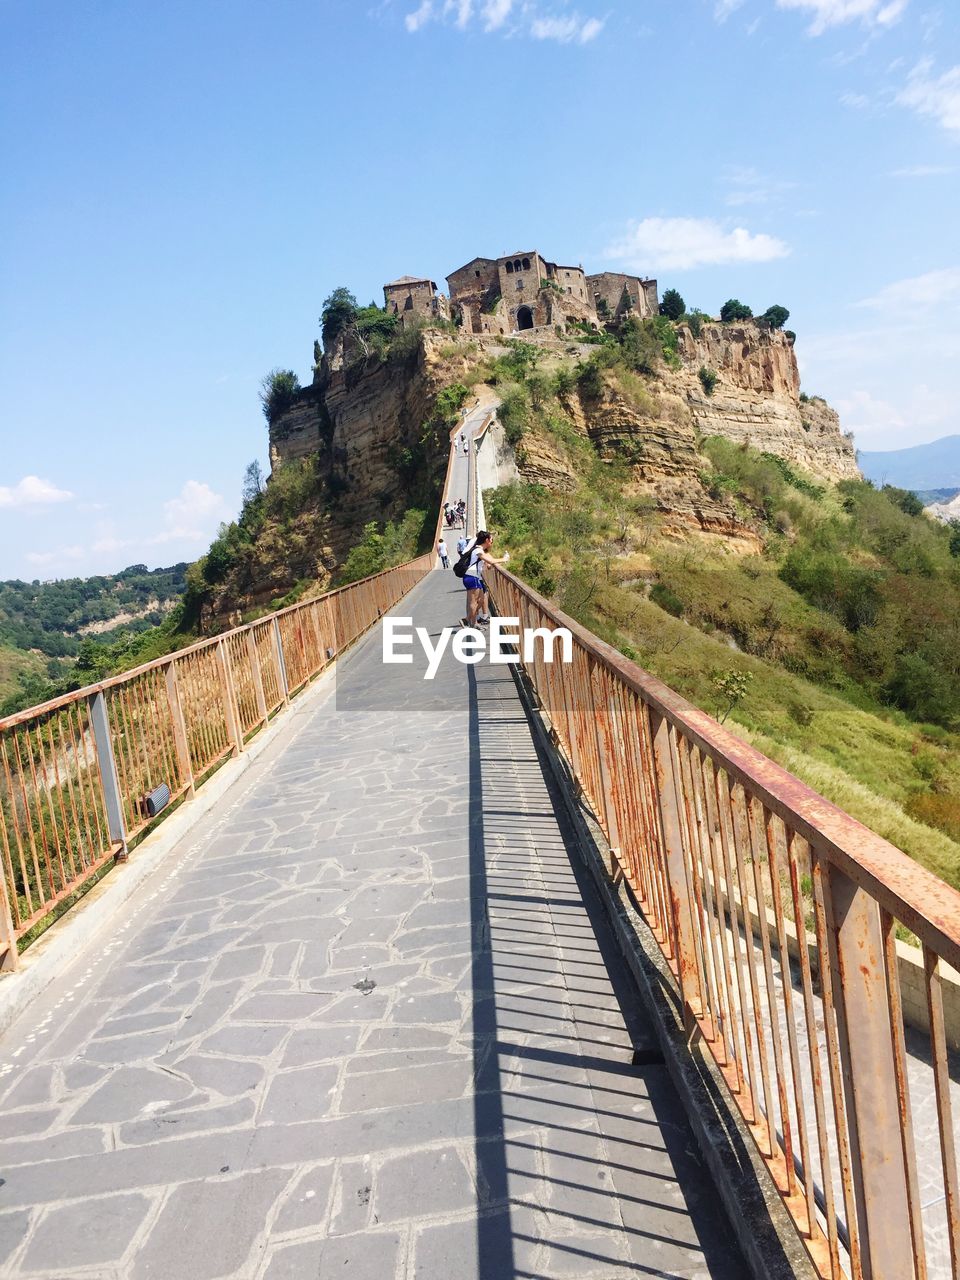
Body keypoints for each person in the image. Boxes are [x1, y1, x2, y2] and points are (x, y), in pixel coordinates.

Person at [460, 530, 508, 629]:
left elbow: (489, 563)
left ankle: (469, 620)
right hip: (471, 577)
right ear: (486, 540)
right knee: (474, 602)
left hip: (474, 577)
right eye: (491, 540)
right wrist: (504, 559)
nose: (491, 542)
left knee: (481, 600)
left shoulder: (479, 549)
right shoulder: (478, 550)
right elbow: (490, 561)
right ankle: (467, 620)